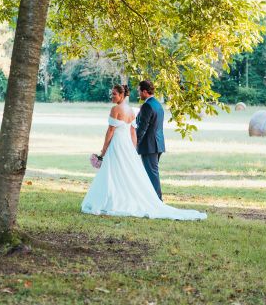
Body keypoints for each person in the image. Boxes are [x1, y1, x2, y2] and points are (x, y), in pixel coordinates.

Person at [81, 84, 207, 221]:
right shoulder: (131, 110)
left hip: (118, 144)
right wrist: (132, 149)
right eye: (112, 94)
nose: (112, 96)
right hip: (128, 146)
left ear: (122, 95)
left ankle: (115, 200)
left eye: (115, 94)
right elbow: (132, 132)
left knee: (114, 172)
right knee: (127, 173)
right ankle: (131, 198)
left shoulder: (115, 109)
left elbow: (111, 131)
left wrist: (103, 150)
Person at [135, 79, 165, 200]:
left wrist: (134, 142)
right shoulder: (157, 104)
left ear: (145, 91)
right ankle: (151, 199)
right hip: (158, 143)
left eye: (139, 91)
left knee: (152, 174)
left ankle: (158, 200)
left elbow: (143, 128)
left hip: (149, 145)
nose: (138, 94)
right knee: (151, 173)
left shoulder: (147, 105)